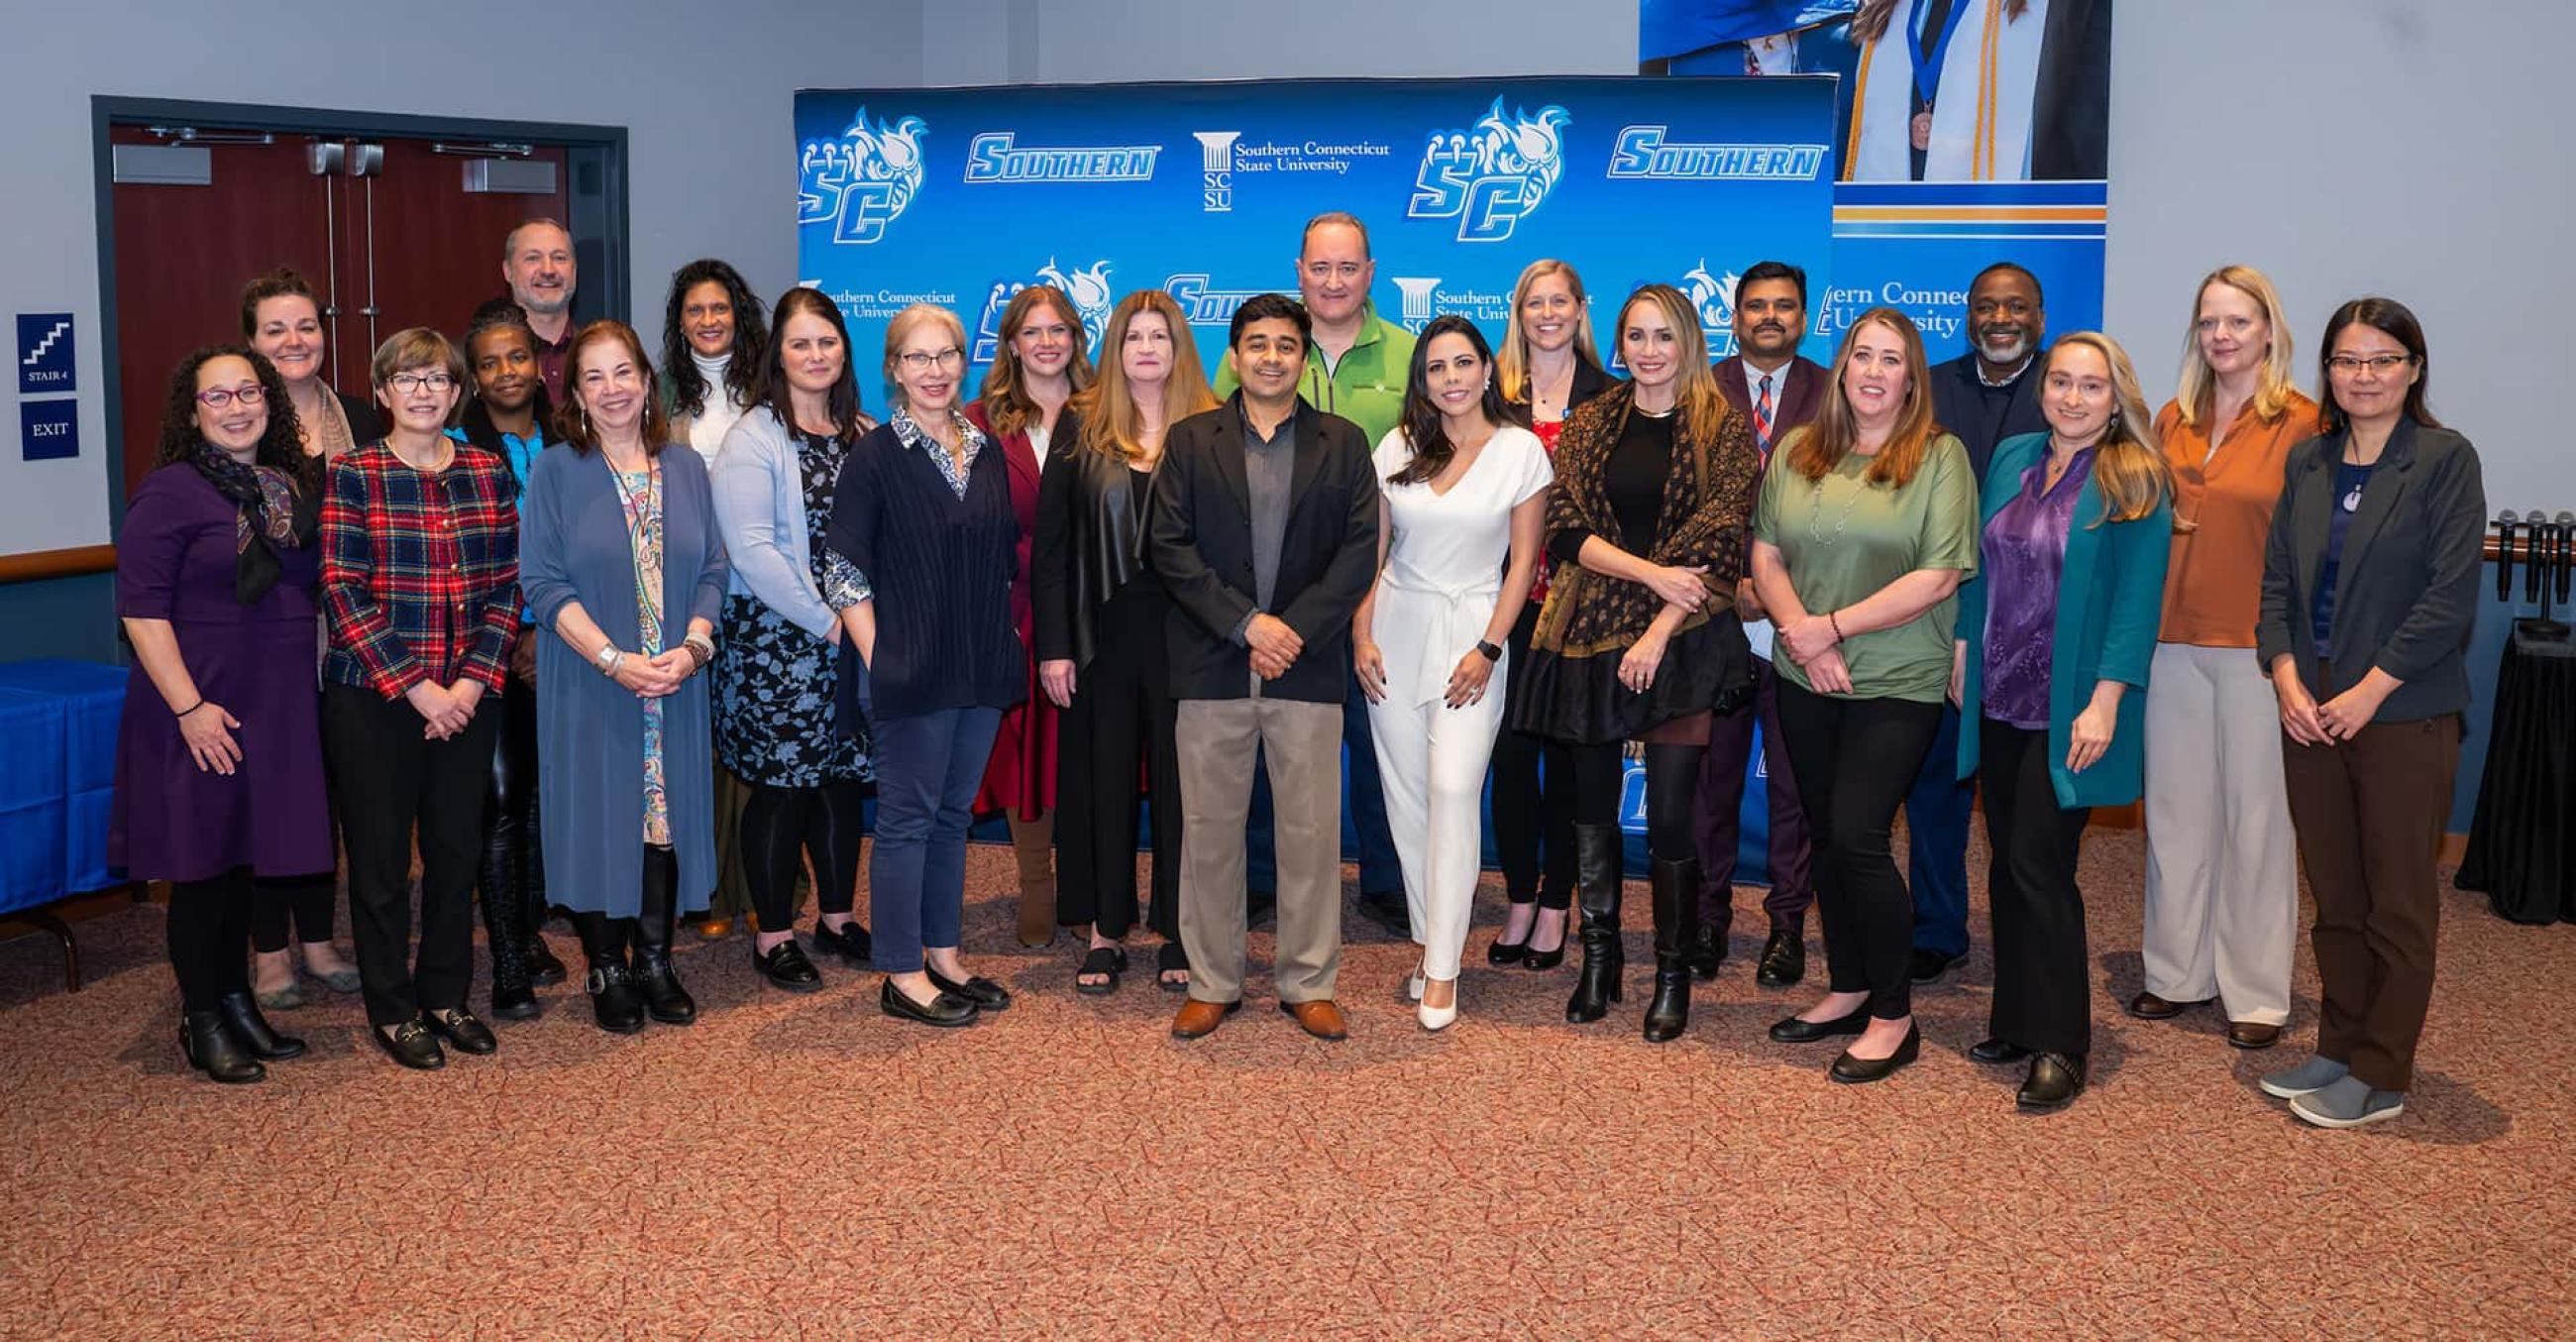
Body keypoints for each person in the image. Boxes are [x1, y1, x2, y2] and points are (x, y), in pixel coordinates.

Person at [2255, 297, 2484, 1130]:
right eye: (2349, 361)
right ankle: (2341, 1043)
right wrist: (2284, 675)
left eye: (2383, 360)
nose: (2365, 376)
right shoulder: (2309, 463)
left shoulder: (2445, 461)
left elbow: (2448, 600)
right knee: (2338, 896)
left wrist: (2368, 690)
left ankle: (2384, 1070)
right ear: (2328, 371)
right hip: (2308, 714)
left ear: (2414, 369)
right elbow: (2277, 584)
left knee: (2397, 902)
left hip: (2400, 717)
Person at [1510, 283, 1760, 1044]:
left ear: (1688, 342)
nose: (1650, 352)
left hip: (1683, 641)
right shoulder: (1590, 422)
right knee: (1591, 809)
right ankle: (1600, 957)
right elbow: (1565, 526)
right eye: (1637, 337)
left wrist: (1657, 628)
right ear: (1619, 345)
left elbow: (1719, 540)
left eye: (1664, 336)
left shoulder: (1723, 426)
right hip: (1588, 635)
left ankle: (1673, 972)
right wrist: (1649, 575)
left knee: (1676, 816)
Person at [1750, 307, 1978, 1083]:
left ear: (1912, 378)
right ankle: (1847, 986)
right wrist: (1803, 635)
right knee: (1823, 833)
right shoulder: (1799, 450)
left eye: (1892, 360)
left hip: (1896, 677)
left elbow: (1937, 577)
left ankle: (1894, 1013)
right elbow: (1766, 553)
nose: (1875, 372)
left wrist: (1830, 629)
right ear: (1842, 367)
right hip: (1805, 673)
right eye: (1863, 356)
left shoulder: (1940, 458)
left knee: (1857, 835)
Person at [1951, 332, 2173, 1111]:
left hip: (2070, 706)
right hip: (1999, 694)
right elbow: (1979, 567)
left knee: (2044, 870)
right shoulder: (2012, 456)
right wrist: (1959, 648)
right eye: (2062, 382)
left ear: (2117, 399)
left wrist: (2108, 698)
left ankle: (2061, 1042)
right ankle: (2015, 1018)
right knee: (2006, 863)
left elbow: (2137, 603)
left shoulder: (2135, 477)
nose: (2073, 398)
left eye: (2092, 386)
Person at [1153, 294, 1380, 1042]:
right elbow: (1169, 549)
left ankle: (1308, 982)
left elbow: (1357, 555)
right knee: (1209, 832)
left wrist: (1293, 632)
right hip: (1213, 665)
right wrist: (1246, 624)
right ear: (1236, 355)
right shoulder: (1190, 442)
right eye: (1258, 344)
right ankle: (1212, 980)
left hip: (1306, 670)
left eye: (1287, 345)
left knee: (1311, 834)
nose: (1273, 357)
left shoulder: (1343, 444)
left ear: (1305, 354)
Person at [112, 347, 333, 1082]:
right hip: (196, 705)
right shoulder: (168, 494)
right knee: (201, 867)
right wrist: (191, 708)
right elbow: (140, 615)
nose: (237, 407)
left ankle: (239, 1001)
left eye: (249, 392)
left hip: (273, 704)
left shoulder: (285, 485)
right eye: (218, 397)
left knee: (245, 862)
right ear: (192, 411)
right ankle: (200, 1016)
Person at [520, 321, 730, 1034]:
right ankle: (606, 965)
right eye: (594, 378)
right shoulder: (555, 471)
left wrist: (694, 647)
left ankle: (655, 958)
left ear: (647, 382)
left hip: (675, 680)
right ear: (575, 394)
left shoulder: (686, 467)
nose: (612, 390)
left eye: (623, 373)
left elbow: (713, 569)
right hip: (592, 679)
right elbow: (542, 584)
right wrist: (614, 660)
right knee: (599, 816)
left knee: (661, 821)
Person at [319, 329, 520, 1070]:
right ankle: (393, 1008)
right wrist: (419, 688)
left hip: (467, 698)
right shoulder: (354, 473)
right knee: (377, 863)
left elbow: (507, 586)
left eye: (437, 378)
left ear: (457, 391)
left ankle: (445, 995)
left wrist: (467, 685)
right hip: (376, 699)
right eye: (408, 380)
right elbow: (341, 589)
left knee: (454, 853)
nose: (424, 392)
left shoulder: (486, 470)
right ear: (383, 393)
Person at [2135, 266, 2320, 1049]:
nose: (2222, 335)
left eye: (2238, 322)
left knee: (2257, 823)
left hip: (2258, 651)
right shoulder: (2173, 418)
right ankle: (2176, 974)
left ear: (2269, 332)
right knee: (2176, 819)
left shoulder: (2306, 426)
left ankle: (2255, 992)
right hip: (2169, 643)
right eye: (2210, 321)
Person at [827, 303, 1025, 1028]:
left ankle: (943, 955)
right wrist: (886, 664)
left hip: (976, 668)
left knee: (951, 818)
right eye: (919, 358)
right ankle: (901, 972)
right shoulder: (875, 456)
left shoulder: (983, 447)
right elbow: (843, 572)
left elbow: (999, 560)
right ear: (894, 370)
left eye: (946, 356)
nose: (935, 371)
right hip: (910, 671)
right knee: (907, 822)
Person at [1353, 315, 1552, 1031]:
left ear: (1486, 369)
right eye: (1436, 368)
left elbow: (1524, 564)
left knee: (1452, 787)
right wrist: (1361, 632)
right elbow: (1373, 554)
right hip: (1396, 630)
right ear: (1422, 380)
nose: (1452, 379)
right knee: (1407, 799)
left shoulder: (1521, 451)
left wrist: (1489, 648)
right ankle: (1428, 941)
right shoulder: (1398, 445)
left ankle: (1443, 970)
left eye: (1463, 363)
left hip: (1474, 635)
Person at [1215, 212, 1411, 936]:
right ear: (1299, 269)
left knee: (1376, 743)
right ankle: (1262, 880)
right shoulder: (1255, 349)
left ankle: (1387, 880)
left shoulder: (1408, 354)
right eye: (1320, 267)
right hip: (1267, 597)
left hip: (1374, 594)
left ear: (1371, 272)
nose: (1333, 281)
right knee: (1268, 746)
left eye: (1348, 267)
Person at [1036, 290, 1217, 994]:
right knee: (1103, 783)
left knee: (1183, 787)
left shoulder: (1210, 426)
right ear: (1116, 348)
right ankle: (1105, 930)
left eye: (1159, 336)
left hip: (1189, 636)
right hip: (1100, 635)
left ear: (1179, 347)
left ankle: (1178, 929)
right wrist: (1054, 646)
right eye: (1133, 336)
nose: (1146, 348)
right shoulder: (1081, 424)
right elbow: (1051, 549)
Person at [711, 287, 879, 993]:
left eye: (828, 342)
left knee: (841, 785)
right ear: (777, 354)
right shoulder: (752, 438)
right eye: (800, 344)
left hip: (854, 638)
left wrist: (865, 625)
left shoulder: (866, 434)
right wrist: (829, 621)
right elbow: (752, 551)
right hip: (779, 645)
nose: (816, 356)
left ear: (845, 350)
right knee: (782, 791)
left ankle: (836, 918)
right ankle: (773, 933)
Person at [1907, 260, 2049, 983]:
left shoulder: (2069, 388)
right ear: (1967, 315)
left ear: (2039, 317)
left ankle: (2028, 936)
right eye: (1987, 306)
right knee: (1937, 782)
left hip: (2038, 627)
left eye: (2016, 306)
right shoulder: (1928, 388)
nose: (2001, 318)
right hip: (1940, 614)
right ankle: (1937, 928)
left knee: (2027, 804)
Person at [236, 268, 373, 1008]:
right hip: (268, 640)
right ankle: (268, 952)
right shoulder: (238, 425)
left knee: (329, 796)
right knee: (272, 794)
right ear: (251, 342)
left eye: (307, 326)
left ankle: (318, 940)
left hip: (351, 642)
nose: (295, 341)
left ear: (327, 335)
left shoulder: (362, 417)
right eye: (276, 329)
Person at [1695, 259, 1829, 989]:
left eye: (1783, 307)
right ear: (1735, 316)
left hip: (1799, 620)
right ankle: (1710, 920)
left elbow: (1847, 506)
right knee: (1711, 785)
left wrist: (1778, 595)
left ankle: (1786, 926)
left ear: (1803, 318)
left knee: (1793, 785)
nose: (1768, 317)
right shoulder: (1699, 388)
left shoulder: (1834, 392)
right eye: (1755, 307)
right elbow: (1679, 502)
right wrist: (1731, 584)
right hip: (1715, 619)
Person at [1487, 258, 1610, 971]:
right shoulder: (1495, 398)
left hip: (1581, 610)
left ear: (1579, 308)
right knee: (1509, 760)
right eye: (1533, 302)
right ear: (1519, 312)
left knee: (1568, 762)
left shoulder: (1612, 396)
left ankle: (1559, 902)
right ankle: (1519, 897)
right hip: (1505, 604)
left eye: (1559, 300)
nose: (1546, 314)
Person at [967, 285, 1093, 949]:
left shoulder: (1108, 413)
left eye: (1060, 330)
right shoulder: (978, 422)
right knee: (1022, 755)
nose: (1047, 343)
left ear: (1077, 338)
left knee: (1084, 753)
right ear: (1011, 344)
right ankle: (1037, 886)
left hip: (1089, 614)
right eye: (1032, 332)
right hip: (1011, 616)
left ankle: (1085, 884)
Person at [455, 303, 569, 1019]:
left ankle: (530, 932)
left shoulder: (569, 440)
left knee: (539, 800)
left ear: (537, 363)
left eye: (517, 357)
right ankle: (506, 963)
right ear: (474, 375)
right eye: (490, 362)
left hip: (568, 643)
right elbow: (468, 563)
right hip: (485, 652)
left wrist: (550, 633)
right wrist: (513, 638)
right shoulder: (458, 450)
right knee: (499, 803)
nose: (506, 372)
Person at [658, 259, 771, 942]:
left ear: (739, 313)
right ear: (679, 322)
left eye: (719, 308)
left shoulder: (769, 386)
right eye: (694, 310)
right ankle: (710, 892)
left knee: (756, 747)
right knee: (700, 750)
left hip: (761, 592)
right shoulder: (660, 394)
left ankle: (767, 886)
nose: (708, 320)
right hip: (688, 588)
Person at [501, 218, 578, 399]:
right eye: (533, 258)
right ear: (508, 271)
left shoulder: (598, 353)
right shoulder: (472, 358)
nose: (548, 270)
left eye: (559, 257)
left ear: (574, 271)